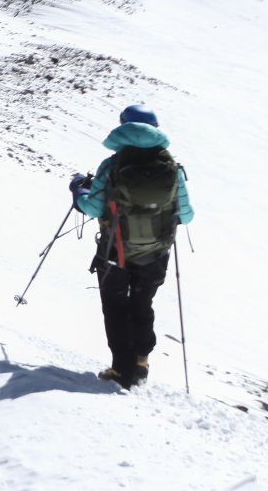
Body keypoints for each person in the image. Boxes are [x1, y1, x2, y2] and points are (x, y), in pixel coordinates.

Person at [71, 103, 195, 387]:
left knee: (115, 306)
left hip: (116, 251)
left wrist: (78, 190)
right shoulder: (172, 168)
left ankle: (120, 368)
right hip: (156, 253)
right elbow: (186, 215)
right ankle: (141, 363)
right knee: (143, 302)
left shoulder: (112, 166)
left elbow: (92, 207)